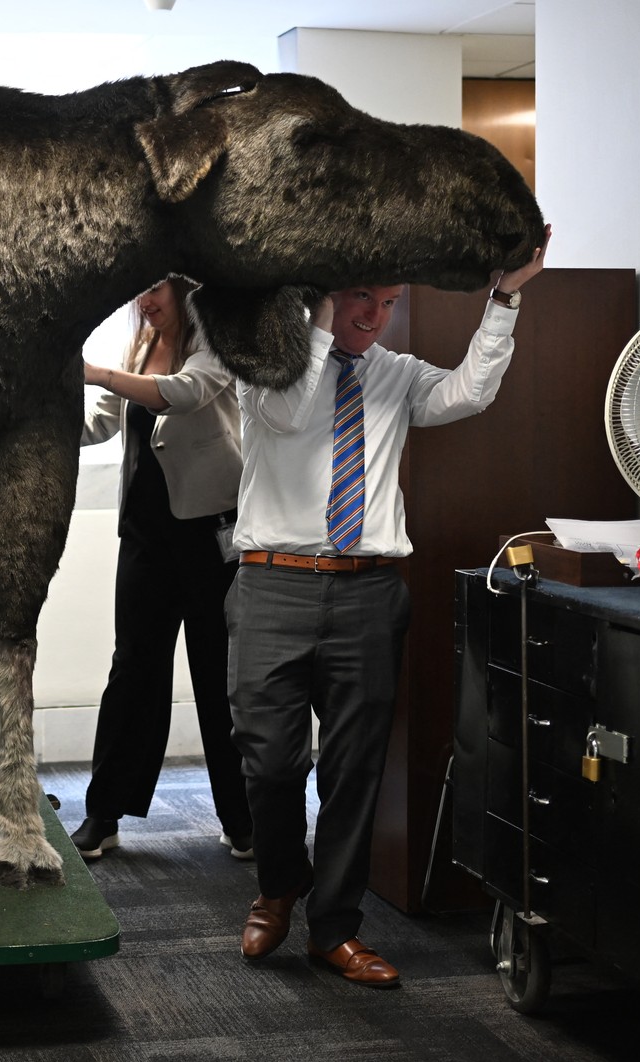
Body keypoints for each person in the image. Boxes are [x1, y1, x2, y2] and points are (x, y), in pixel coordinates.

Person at [229, 226, 553, 987]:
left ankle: (334, 926)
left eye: (388, 301)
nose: (374, 316)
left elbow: (471, 391)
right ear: (322, 296)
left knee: (354, 772)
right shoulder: (268, 368)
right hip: (272, 582)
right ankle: (279, 883)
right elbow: (287, 413)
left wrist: (503, 297)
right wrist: (312, 317)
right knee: (269, 757)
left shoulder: (395, 375)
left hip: (369, 590)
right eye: (358, 298)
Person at [69, 277, 254, 861]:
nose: (143, 302)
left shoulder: (218, 342)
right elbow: (100, 423)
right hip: (146, 534)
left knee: (218, 674)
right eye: (137, 292)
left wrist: (95, 372)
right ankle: (104, 812)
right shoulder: (138, 345)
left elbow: (184, 392)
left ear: (185, 288)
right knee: (133, 671)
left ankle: (241, 817)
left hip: (208, 532)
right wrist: (40, 409)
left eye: (154, 290)